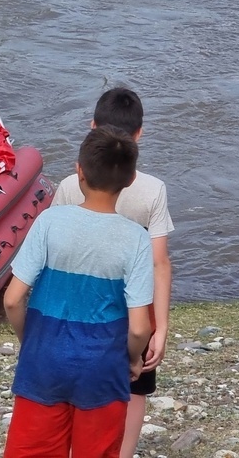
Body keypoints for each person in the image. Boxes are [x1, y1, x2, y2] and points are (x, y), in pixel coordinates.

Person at [3, 126, 154, 458]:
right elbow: (141, 327)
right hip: (103, 370)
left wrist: (30, 341)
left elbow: (13, 299)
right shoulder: (137, 239)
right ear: (129, 181)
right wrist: (132, 358)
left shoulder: (49, 222)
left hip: (42, 365)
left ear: (79, 171)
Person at [52, 88, 174, 458]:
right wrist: (162, 327)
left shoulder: (72, 185)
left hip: (77, 307)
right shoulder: (151, 189)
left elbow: (57, 251)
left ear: (91, 127)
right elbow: (159, 262)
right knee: (135, 386)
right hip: (136, 307)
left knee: (76, 382)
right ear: (140, 133)